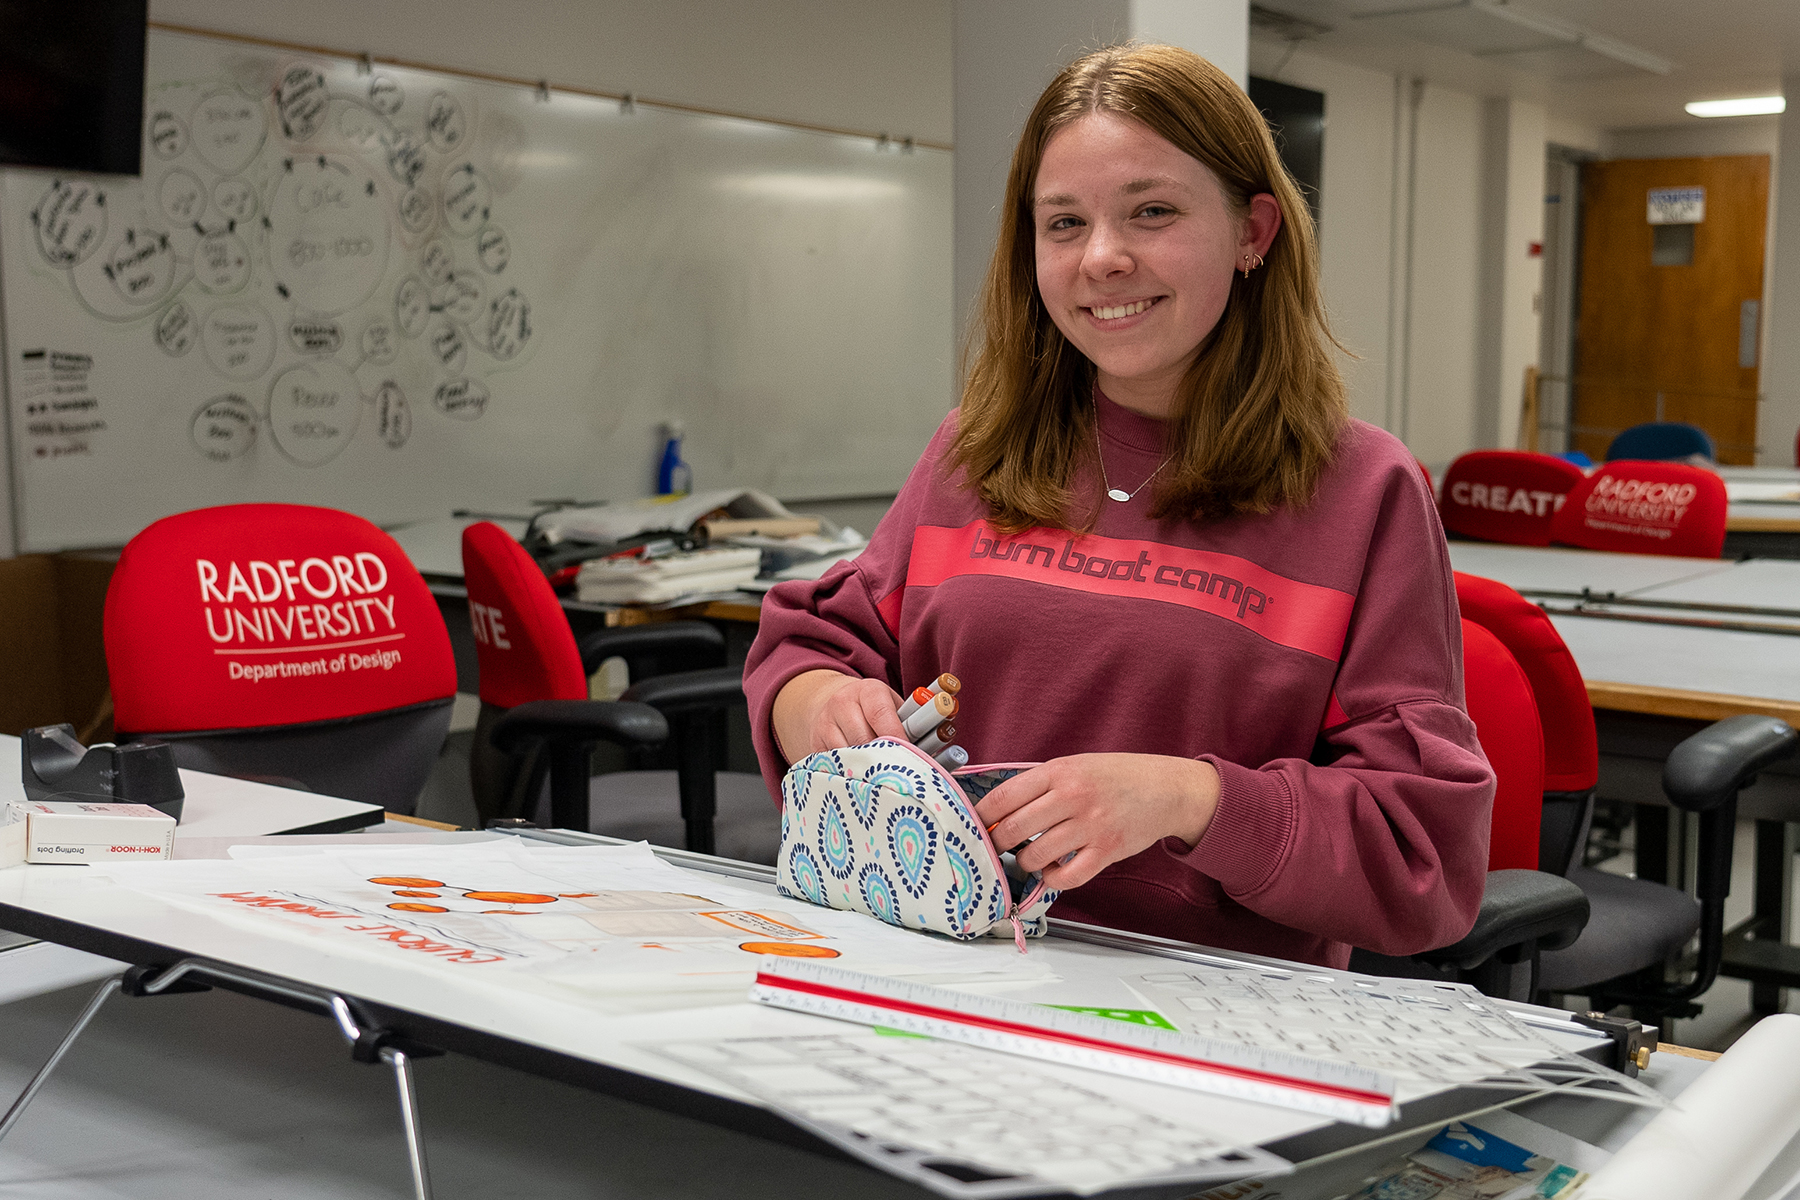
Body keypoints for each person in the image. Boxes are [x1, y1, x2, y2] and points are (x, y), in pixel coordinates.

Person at [743, 43, 1494, 969]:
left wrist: (1188, 801)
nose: (1103, 257)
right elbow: (811, 645)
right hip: (937, 981)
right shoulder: (973, 449)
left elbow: (1425, 853)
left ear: (1254, 232)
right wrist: (819, 706)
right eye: (1064, 223)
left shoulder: (1364, 490)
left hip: (1200, 1023)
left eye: (1153, 211)